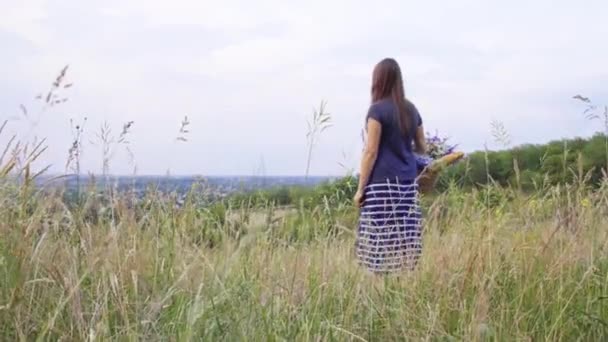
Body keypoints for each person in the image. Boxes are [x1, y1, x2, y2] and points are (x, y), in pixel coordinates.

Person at [354, 58, 427, 273]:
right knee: (405, 239)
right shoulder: (411, 110)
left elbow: (371, 151)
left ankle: (380, 289)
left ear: (378, 80)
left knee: (378, 241)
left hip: (381, 186)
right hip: (407, 184)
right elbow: (422, 146)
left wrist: (360, 190)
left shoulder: (376, 111)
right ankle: (405, 283)